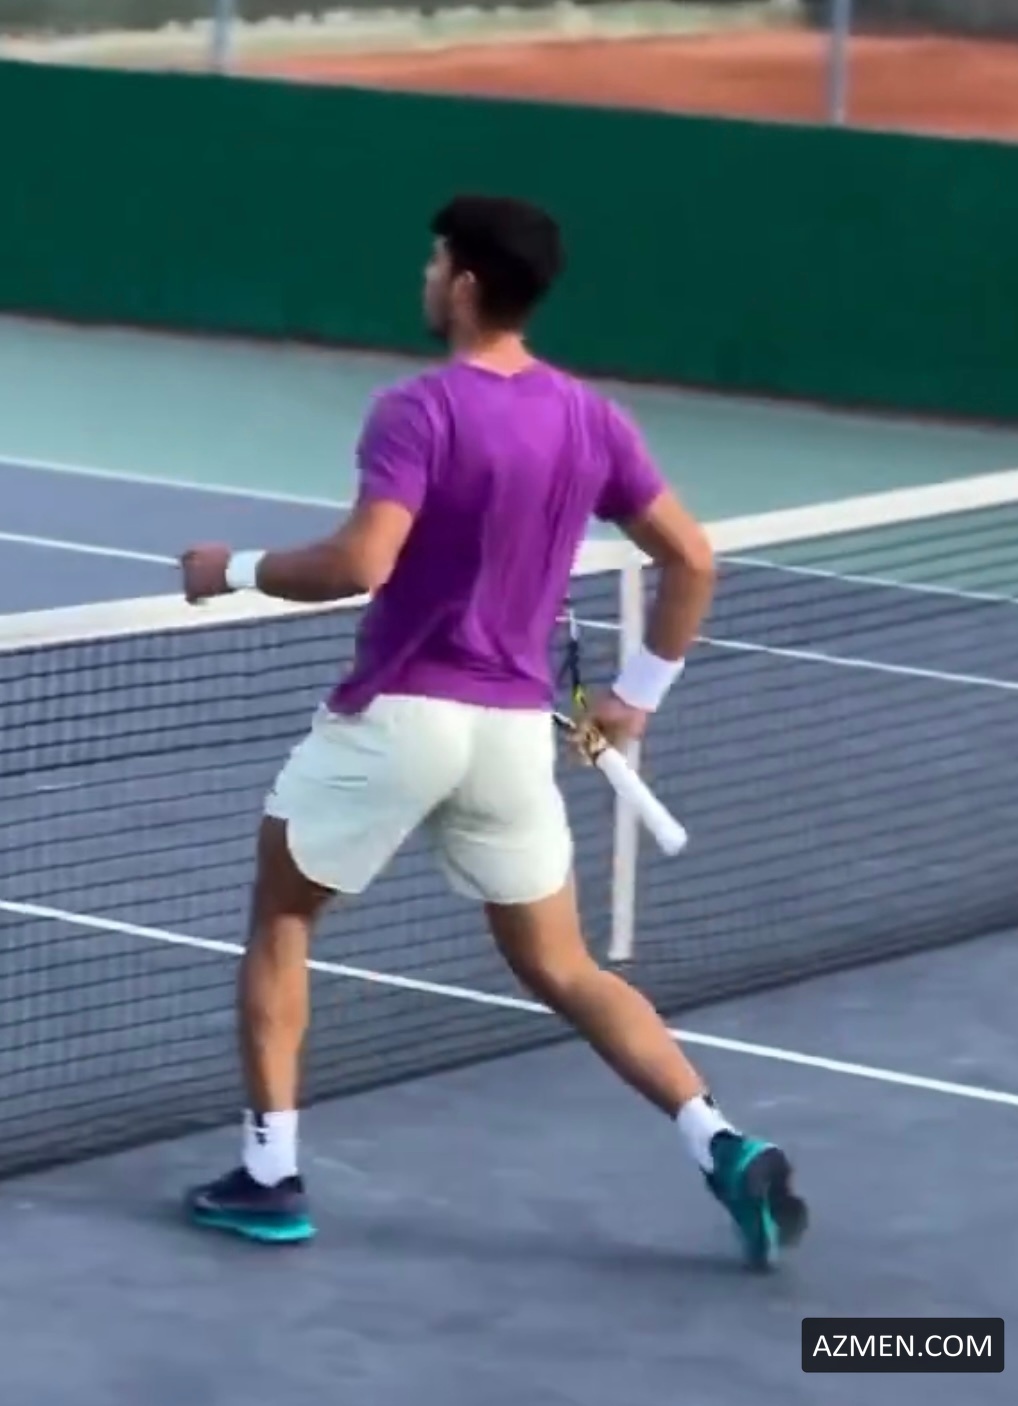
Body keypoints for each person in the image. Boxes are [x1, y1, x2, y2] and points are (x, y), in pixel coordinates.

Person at [178, 194, 807, 1266]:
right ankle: (719, 1140)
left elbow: (360, 562)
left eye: (435, 263)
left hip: (403, 718)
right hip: (511, 739)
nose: (426, 278)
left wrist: (227, 569)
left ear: (465, 284)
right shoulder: (590, 418)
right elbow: (691, 558)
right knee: (563, 964)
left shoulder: (416, 410)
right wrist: (636, 694)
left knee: (283, 914)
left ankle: (270, 1175)